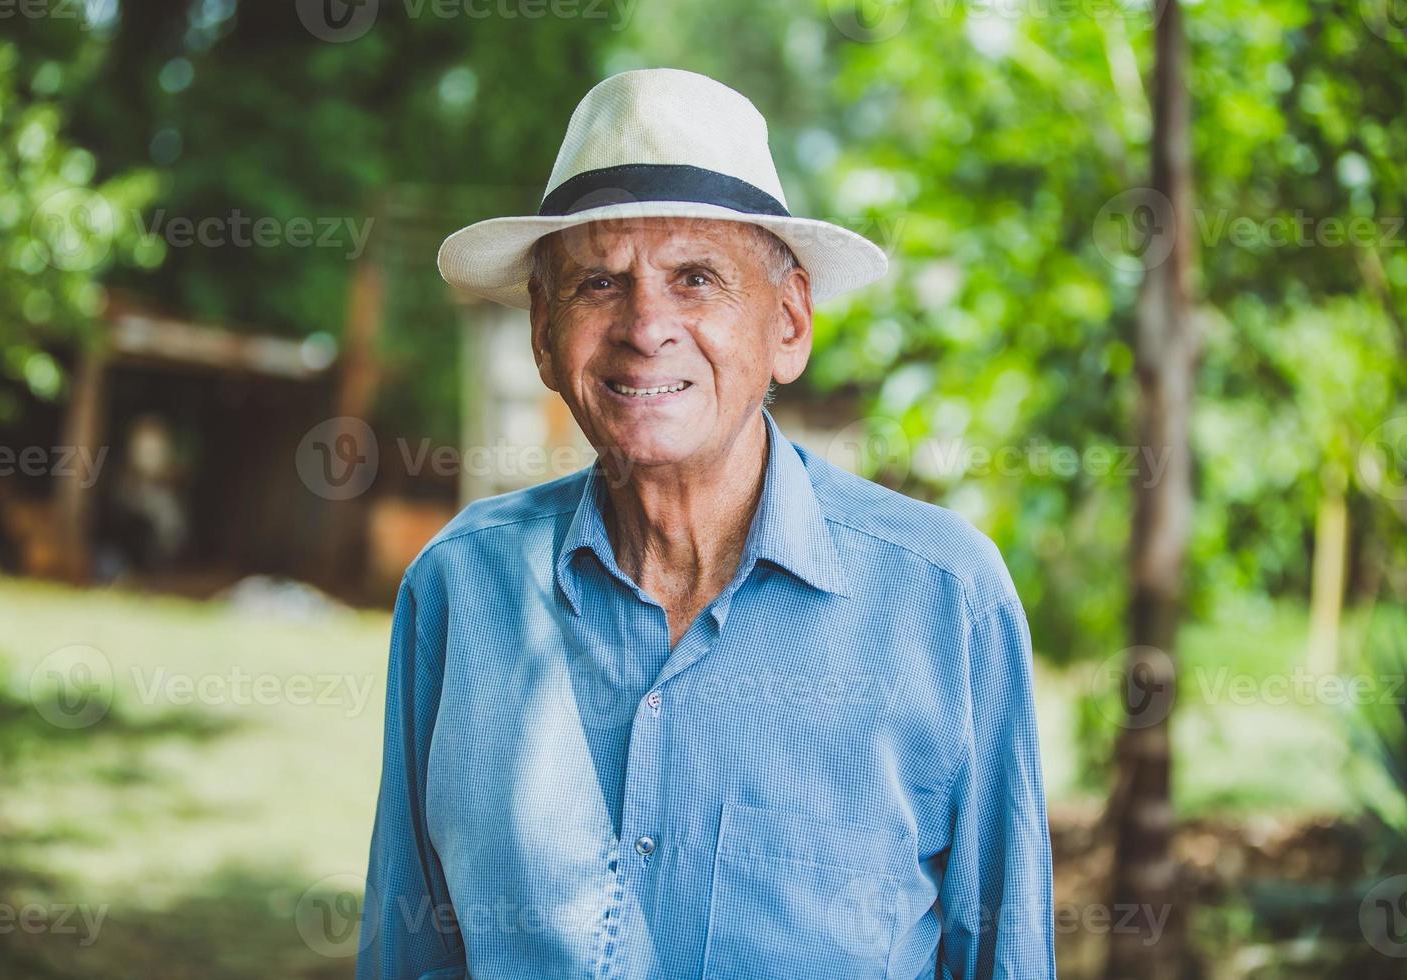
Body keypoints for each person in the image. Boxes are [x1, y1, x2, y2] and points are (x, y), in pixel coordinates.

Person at [357, 67, 1055, 979]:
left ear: (790, 324)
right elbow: (407, 958)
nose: (646, 326)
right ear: (541, 330)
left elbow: (1005, 957)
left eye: (696, 279)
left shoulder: (943, 598)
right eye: (599, 283)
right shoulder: (459, 587)